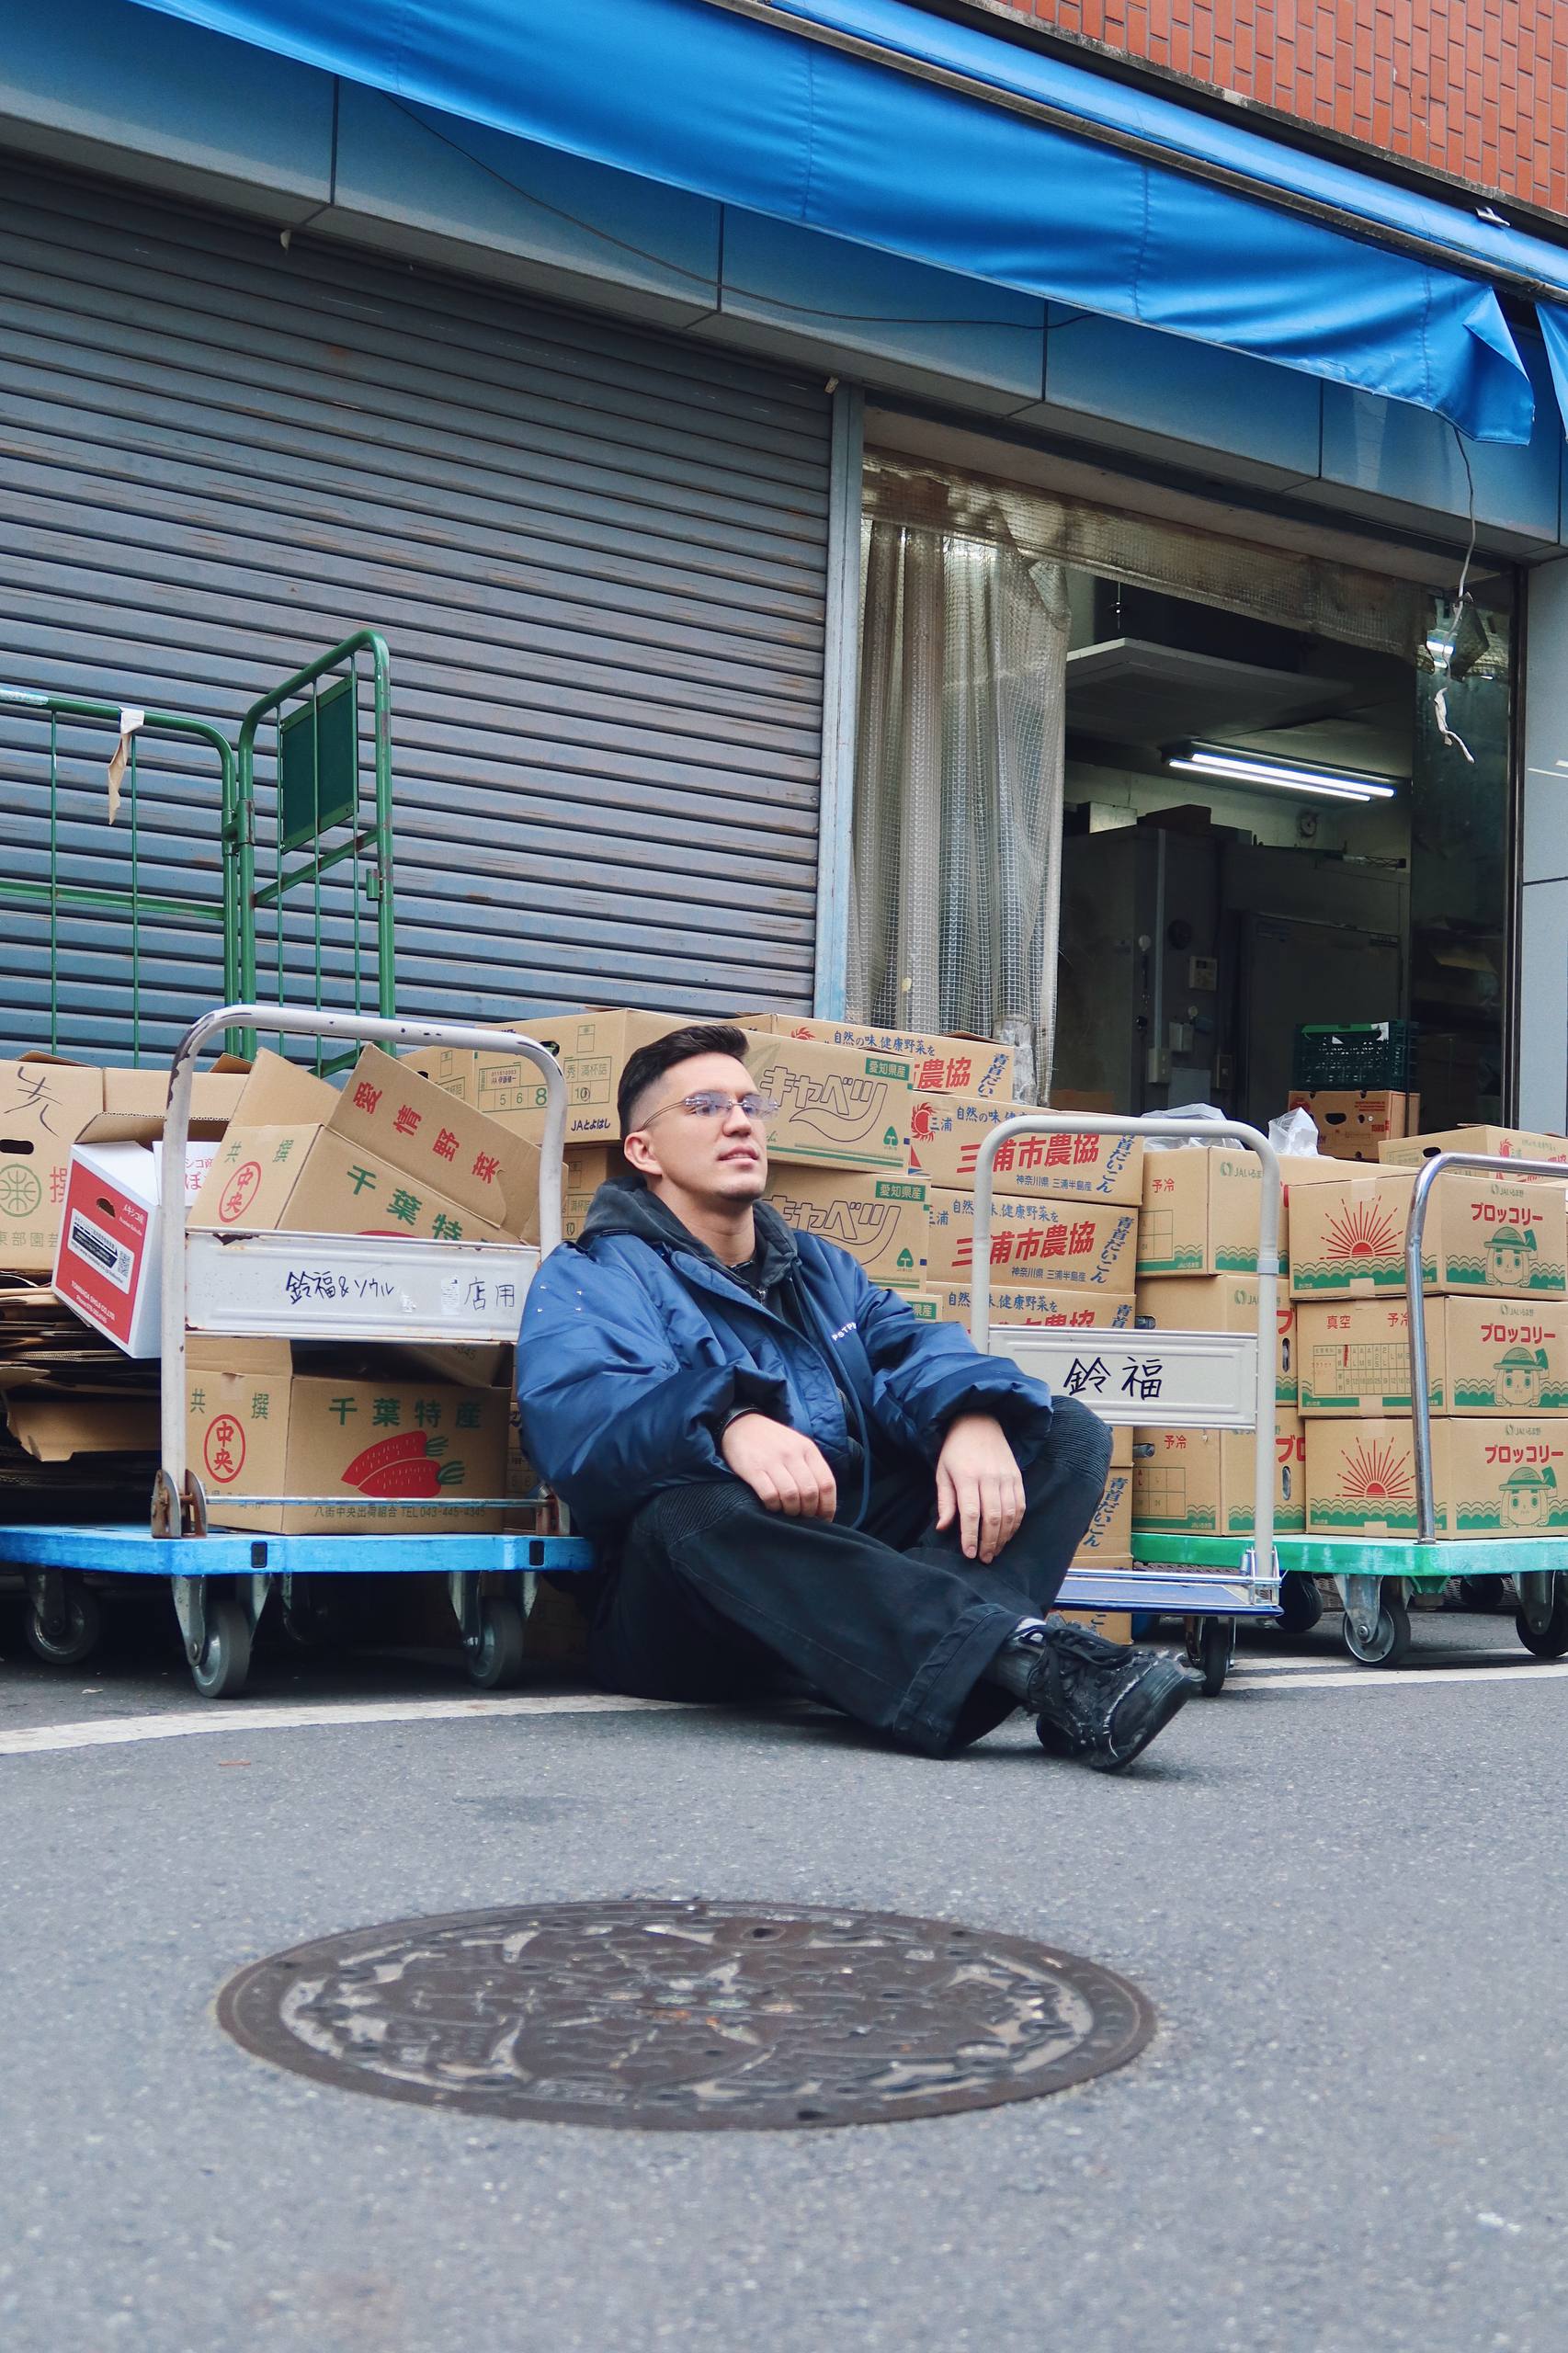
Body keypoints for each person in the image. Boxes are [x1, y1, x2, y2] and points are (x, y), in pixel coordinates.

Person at [516, 1023, 1199, 1768]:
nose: (739, 1122)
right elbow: (579, 1420)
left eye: (750, 1104)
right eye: (705, 1107)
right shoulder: (593, 1274)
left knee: (1062, 1431)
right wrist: (728, 1419)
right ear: (643, 1151)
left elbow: (908, 1348)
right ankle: (1011, 1663)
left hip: (844, 1561)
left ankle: (943, 1666)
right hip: (692, 1612)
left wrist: (970, 1414)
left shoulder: (820, 1269)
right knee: (691, 1510)